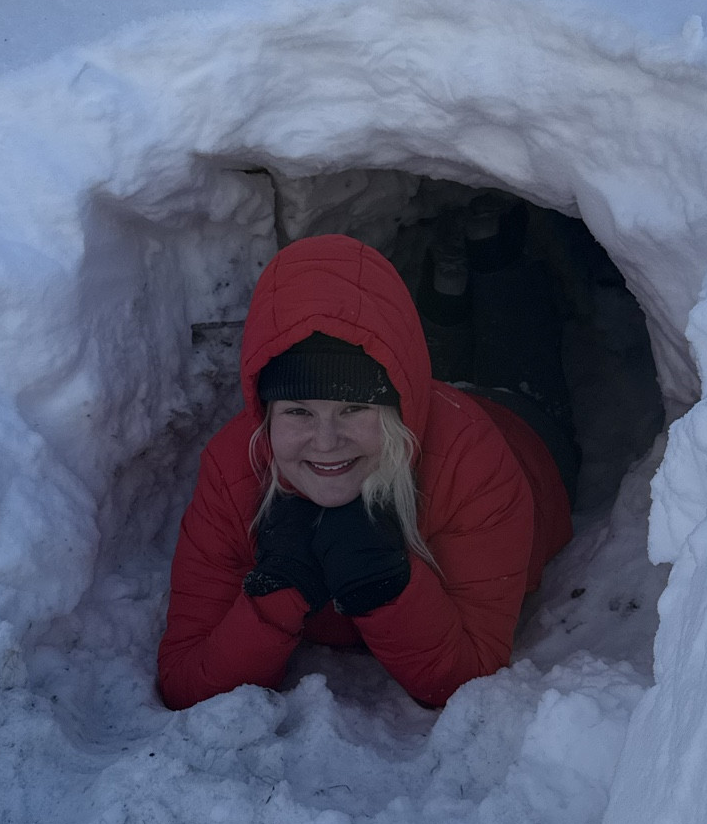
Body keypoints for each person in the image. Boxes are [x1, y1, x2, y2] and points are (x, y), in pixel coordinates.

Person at [157, 229, 575, 713]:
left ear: (396, 408)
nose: (326, 441)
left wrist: (385, 579)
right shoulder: (234, 471)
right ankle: (446, 293)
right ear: (266, 410)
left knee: (518, 351)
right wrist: (278, 590)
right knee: (436, 363)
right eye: (298, 412)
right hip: (423, 405)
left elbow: (471, 676)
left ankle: (496, 251)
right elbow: (186, 680)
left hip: (523, 434)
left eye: (355, 408)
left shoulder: (472, 463)